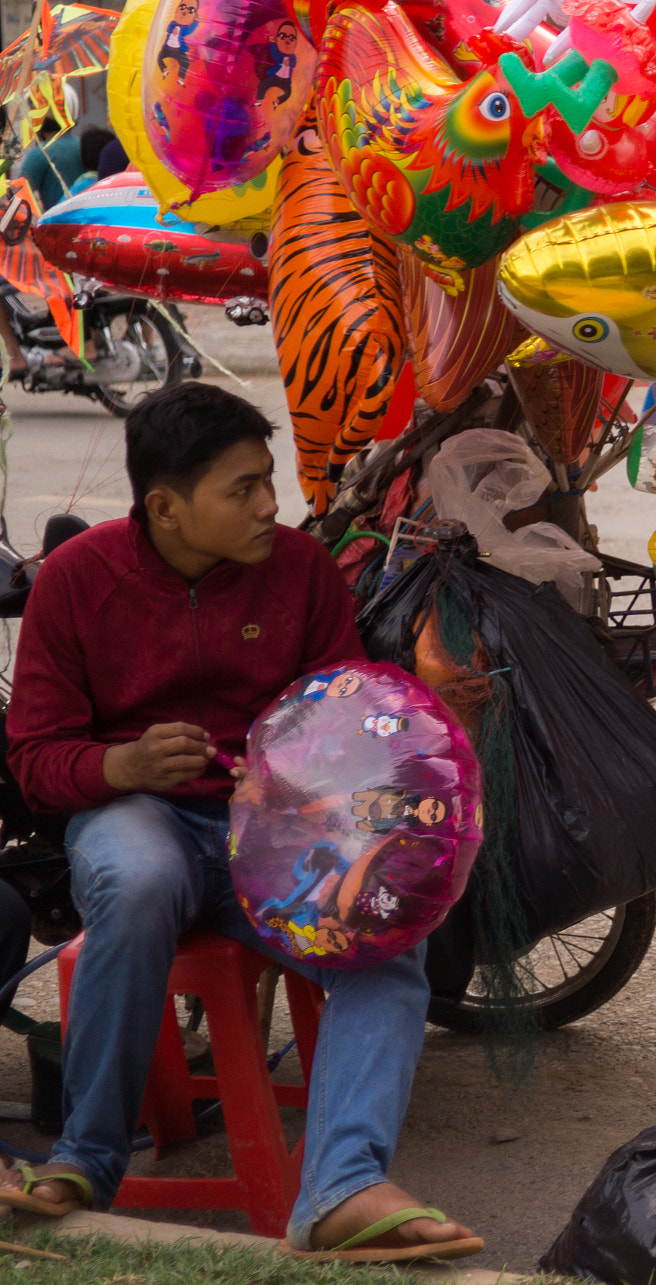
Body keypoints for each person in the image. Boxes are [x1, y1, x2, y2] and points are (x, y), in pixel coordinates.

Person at [2, 382, 483, 1262]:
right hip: (134, 812)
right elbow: (34, 758)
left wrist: (359, 765)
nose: (271, 505)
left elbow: (345, 720)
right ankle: (83, 1160)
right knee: (139, 880)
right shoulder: (75, 582)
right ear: (165, 509)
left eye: (269, 481)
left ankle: (342, 1185)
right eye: (244, 488)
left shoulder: (299, 570)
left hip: (280, 835)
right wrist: (123, 764)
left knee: (385, 931)